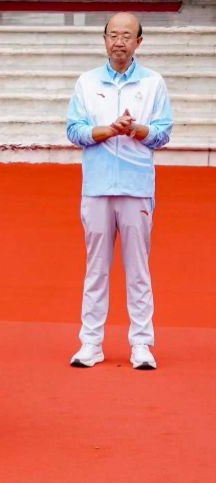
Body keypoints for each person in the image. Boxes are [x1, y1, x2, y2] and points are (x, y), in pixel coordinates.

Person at [66, 12, 172, 370]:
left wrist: (137, 130)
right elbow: (74, 130)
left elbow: (163, 132)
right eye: (113, 35)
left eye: (127, 36)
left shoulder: (153, 83)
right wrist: (108, 130)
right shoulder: (87, 82)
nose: (119, 42)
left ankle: (141, 344)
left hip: (136, 187)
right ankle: (90, 343)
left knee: (138, 269)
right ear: (104, 39)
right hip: (96, 187)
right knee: (96, 269)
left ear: (139, 42)